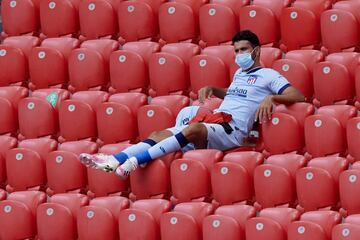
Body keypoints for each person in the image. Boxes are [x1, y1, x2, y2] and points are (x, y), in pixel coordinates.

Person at [79, 30, 305, 179]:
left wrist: (272, 98)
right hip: (215, 121)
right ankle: (113, 161)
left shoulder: (268, 75)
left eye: (243, 50)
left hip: (233, 131)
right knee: (159, 133)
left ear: (256, 51)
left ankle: (134, 162)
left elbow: (298, 95)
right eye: (236, 51)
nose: (239, 54)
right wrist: (216, 90)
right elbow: (238, 95)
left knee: (193, 128)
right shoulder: (239, 74)